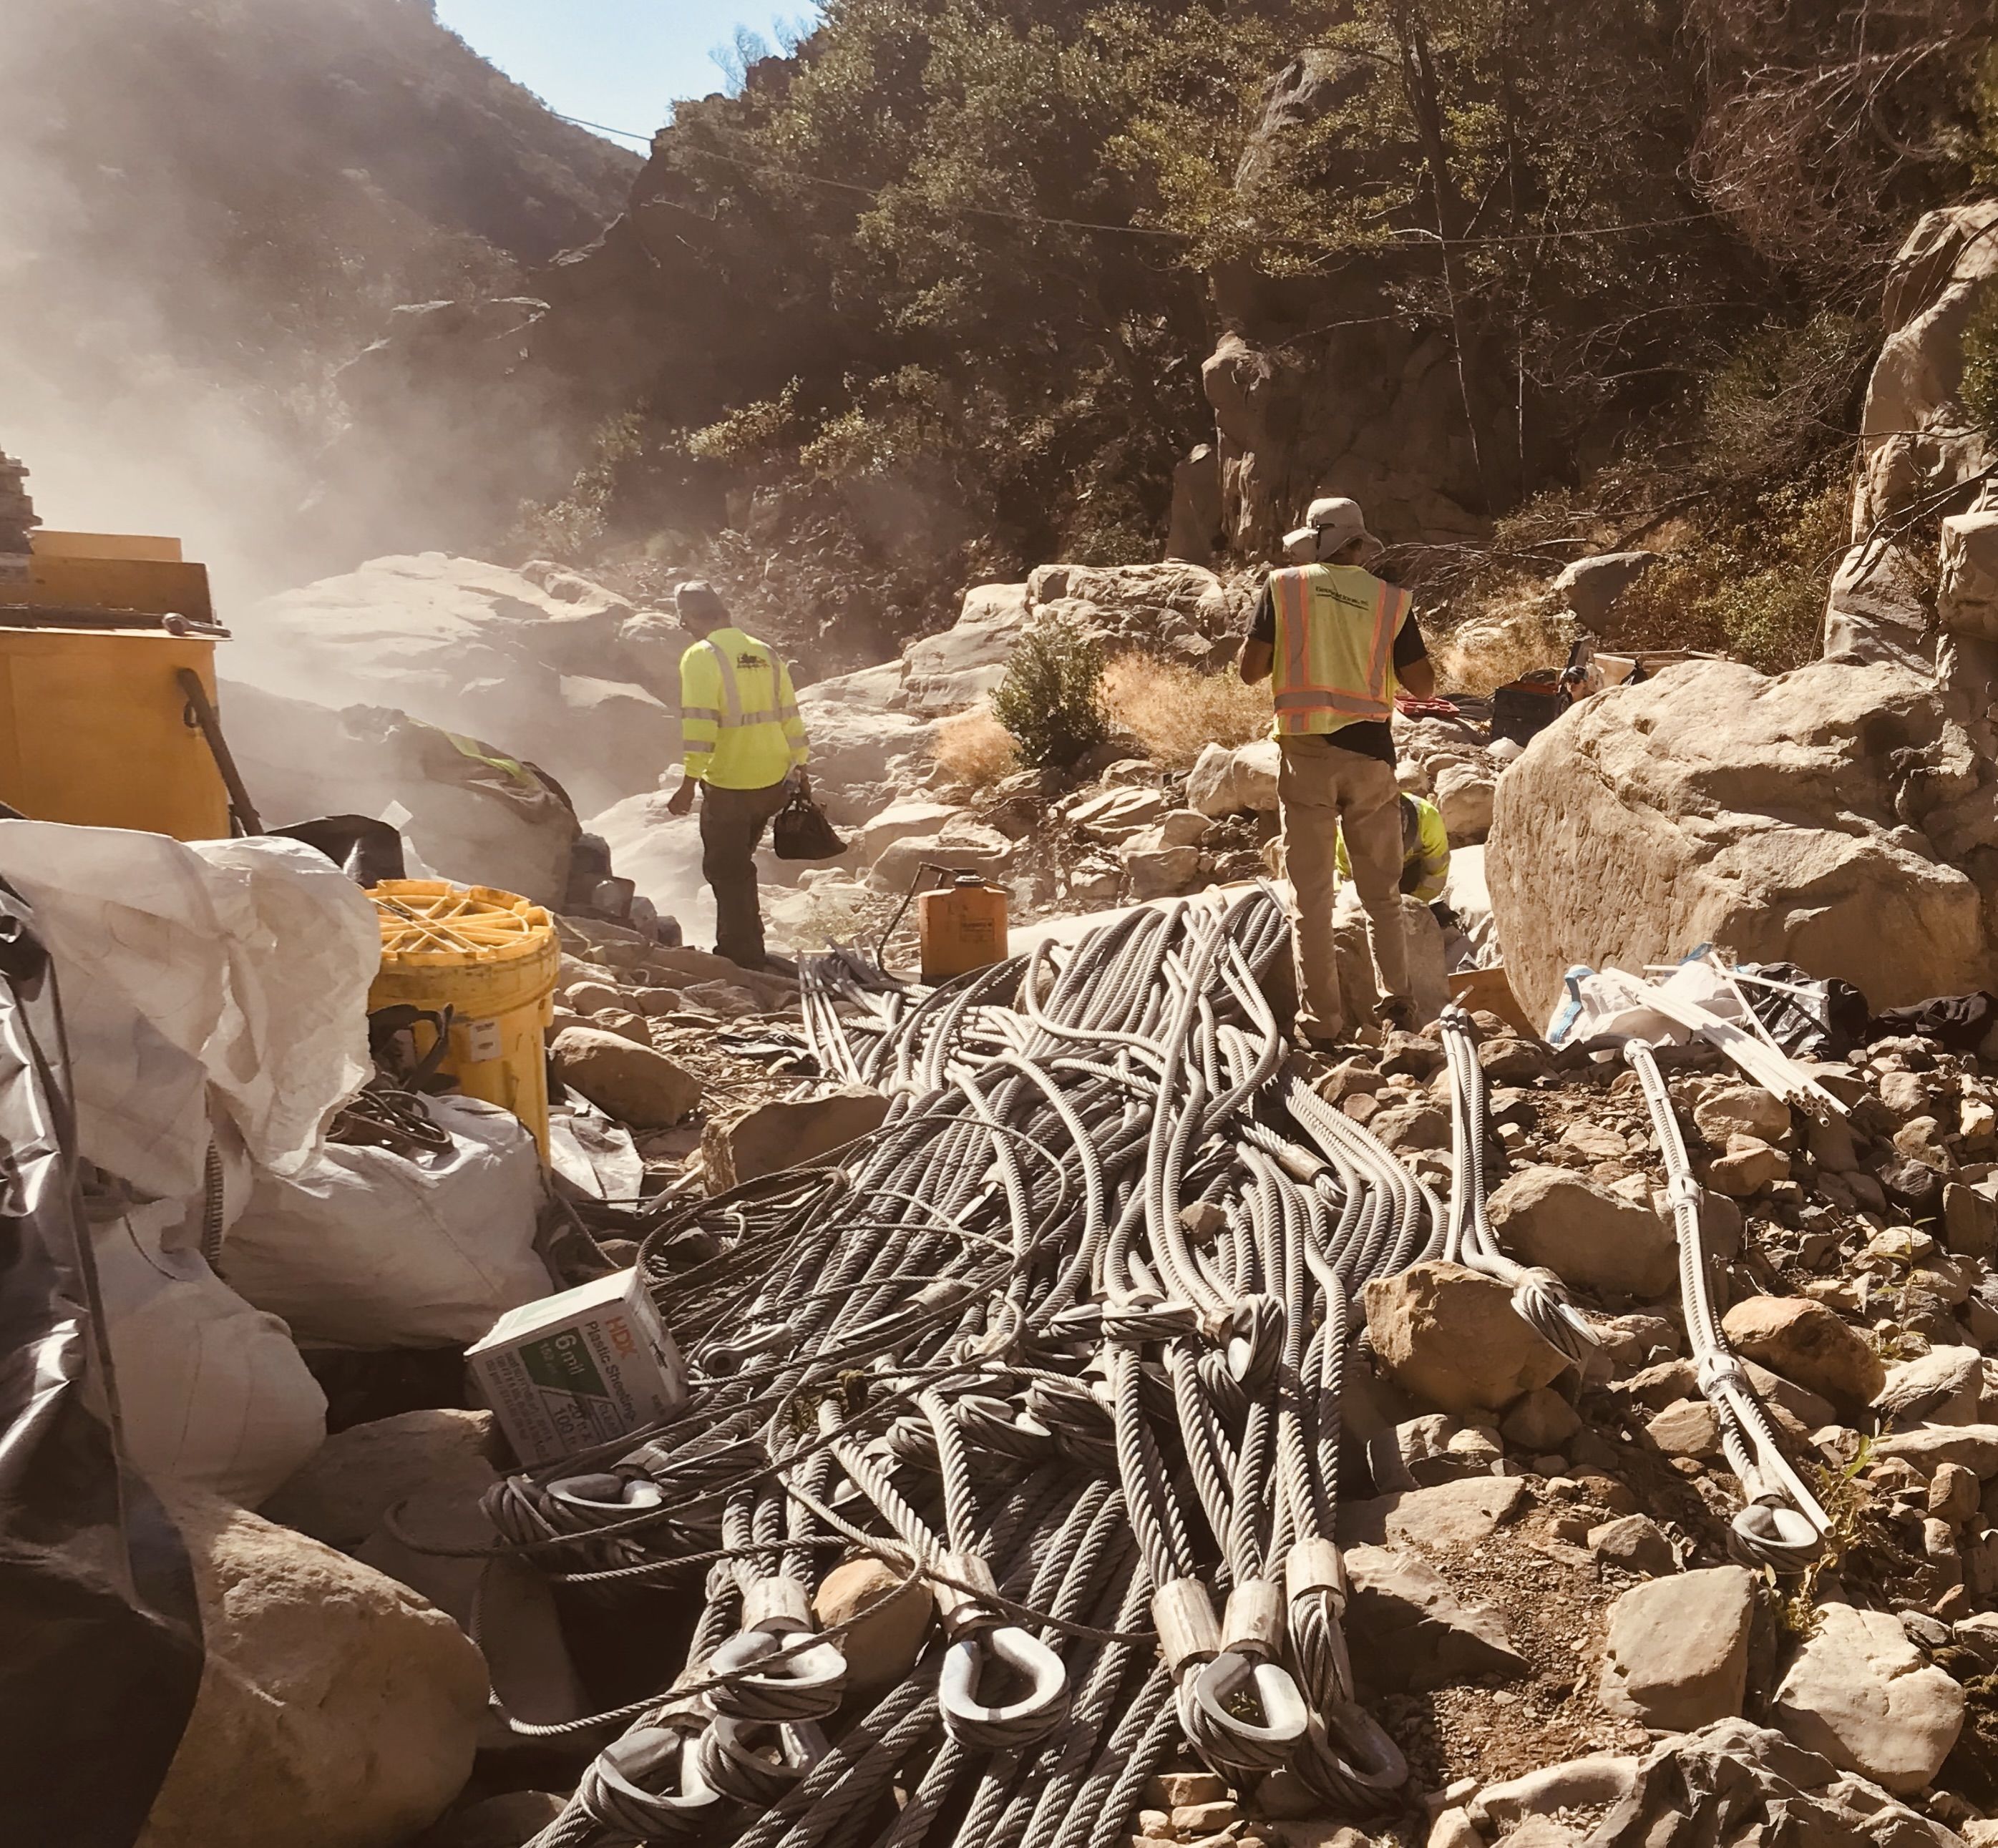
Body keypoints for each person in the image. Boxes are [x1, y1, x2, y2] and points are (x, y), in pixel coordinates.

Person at [1237, 495, 1437, 1050]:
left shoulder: (1285, 587)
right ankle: (1400, 1011)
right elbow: (1423, 686)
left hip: (1305, 759)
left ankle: (1322, 1026)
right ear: (1358, 544)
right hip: (1372, 758)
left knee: (1313, 900)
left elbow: (1250, 671)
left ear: (1317, 538)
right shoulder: (1391, 601)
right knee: (1383, 896)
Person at [665, 581, 809, 971]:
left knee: (725, 869)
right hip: (773, 780)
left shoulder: (700, 656)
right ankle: (745, 943)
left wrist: (688, 783)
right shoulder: (765, 651)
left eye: (684, 622)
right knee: (739, 863)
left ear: (690, 618)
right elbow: (789, 713)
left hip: (731, 781)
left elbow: (700, 724)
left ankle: (742, 956)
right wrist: (802, 765)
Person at [1336, 791, 1450, 906]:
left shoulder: (1428, 819)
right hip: (1371, 873)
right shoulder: (1349, 829)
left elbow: (1436, 876)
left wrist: (1414, 904)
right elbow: (1348, 876)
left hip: (1410, 870)